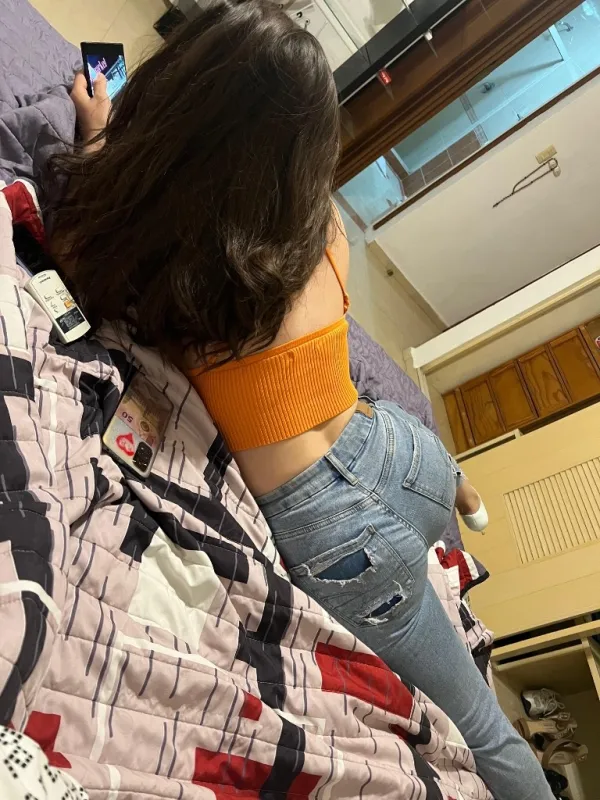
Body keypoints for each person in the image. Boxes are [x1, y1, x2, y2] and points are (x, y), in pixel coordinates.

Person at [49, 3, 552, 798]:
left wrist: (97, 136)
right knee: (409, 450)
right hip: (399, 452)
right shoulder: (322, 228)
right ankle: (466, 498)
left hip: (340, 531)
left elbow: (85, 239)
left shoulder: (186, 266)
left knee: (483, 731)